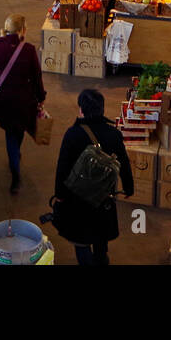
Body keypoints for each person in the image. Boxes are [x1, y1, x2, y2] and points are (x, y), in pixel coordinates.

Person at [52, 89, 134, 266]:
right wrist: (129, 187)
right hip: (103, 197)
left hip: (77, 198)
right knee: (100, 233)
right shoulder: (114, 134)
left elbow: (63, 167)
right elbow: (124, 164)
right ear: (102, 109)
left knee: (81, 240)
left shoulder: (73, 134)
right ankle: (101, 259)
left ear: (81, 109)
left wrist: (59, 193)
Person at [0, 14, 46, 195]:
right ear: (22, 30)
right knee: (18, 132)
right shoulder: (29, 50)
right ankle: (15, 165)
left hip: (5, 102)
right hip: (26, 102)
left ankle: (15, 164)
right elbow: (37, 77)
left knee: (11, 133)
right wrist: (41, 97)